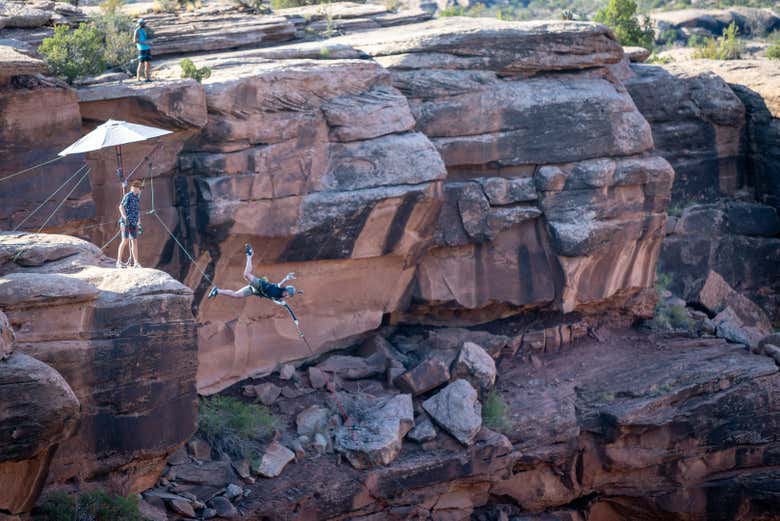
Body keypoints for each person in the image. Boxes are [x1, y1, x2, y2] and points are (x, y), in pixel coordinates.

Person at [208, 244, 301, 325]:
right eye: (289, 294)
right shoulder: (280, 289)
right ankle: (250, 255)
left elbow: (276, 301)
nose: (288, 296)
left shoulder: (280, 298)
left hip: (255, 291)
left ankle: (217, 290)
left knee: (236, 295)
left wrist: (293, 317)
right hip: (260, 285)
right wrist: (286, 278)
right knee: (246, 275)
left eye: (289, 296)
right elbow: (280, 284)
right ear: (286, 291)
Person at [116, 180, 143, 268]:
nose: (140, 190)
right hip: (125, 223)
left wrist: (139, 223)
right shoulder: (128, 196)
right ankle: (118, 262)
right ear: (136, 188)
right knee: (125, 240)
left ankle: (136, 263)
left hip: (134, 223)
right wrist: (124, 217)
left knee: (134, 241)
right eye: (140, 188)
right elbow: (121, 206)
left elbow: (137, 211)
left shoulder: (137, 197)